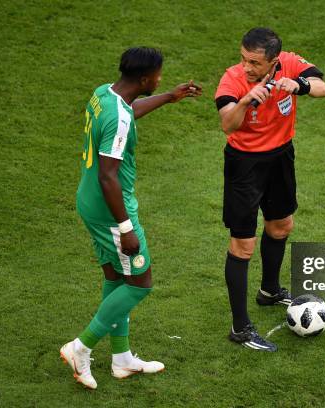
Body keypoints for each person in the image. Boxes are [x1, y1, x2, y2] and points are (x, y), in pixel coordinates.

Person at [60, 47, 202, 389]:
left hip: (90, 201)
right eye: (158, 76)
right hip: (110, 209)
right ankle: (80, 348)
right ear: (144, 78)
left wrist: (169, 97)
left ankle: (121, 359)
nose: (160, 78)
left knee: (117, 277)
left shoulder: (103, 94)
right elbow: (109, 175)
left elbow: (127, 110)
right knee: (140, 282)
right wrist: (125, 228)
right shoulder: (118, 118)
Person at [215, 28, 325, 352]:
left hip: (280, 157)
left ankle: (269, 291)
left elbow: (324, 88)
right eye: (243, 58)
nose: (246, 67)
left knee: (281, 226)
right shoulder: (232, 80)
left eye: (254, 62)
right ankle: (240, 328)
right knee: (242, 245)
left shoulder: (290, 64)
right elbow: (227, 123)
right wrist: (246, 100)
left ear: (273, 62)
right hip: (244, 166)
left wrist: (300, 85)